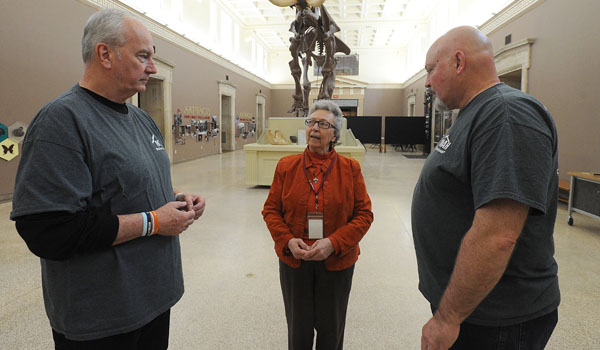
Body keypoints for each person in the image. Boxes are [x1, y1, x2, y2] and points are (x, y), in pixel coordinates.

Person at [10, 9, 206, 349]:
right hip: (102, 318)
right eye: (143, 55)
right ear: (105, 54)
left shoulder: (141, 120)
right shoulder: (62, 121)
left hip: (154, 299)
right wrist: (155, 221)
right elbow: (49, 231)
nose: (152, 67)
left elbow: (128, 184)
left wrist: (176, 199)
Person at [411, 26, 560, 349]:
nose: (426, 81)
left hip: (498, 321)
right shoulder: (477, 112)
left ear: (458, 62)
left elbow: (498, 236)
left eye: (430, 70)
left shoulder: (506, 115)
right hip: (475, 311)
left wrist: (447, 318)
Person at [262, 100, 373, 350]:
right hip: (295, 261)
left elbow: (364, 214)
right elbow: (271, 210)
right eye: (311, 122)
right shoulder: (286, 166)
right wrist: (287, 240)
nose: (314, 128)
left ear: (335, 134)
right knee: (298, 331)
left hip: (336, 263)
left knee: (331, 331)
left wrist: (334, 243)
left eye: (323, 124)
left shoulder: (350, 169)